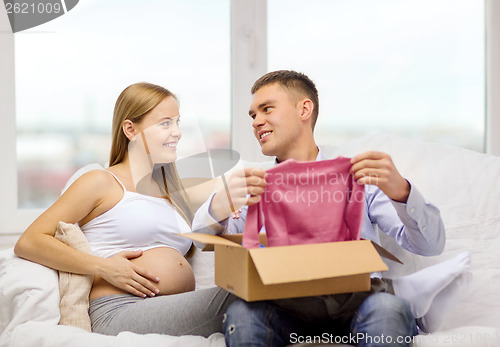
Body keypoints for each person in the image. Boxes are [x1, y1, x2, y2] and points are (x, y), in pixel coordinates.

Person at [192, 70, 467, 346]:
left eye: (267, 109)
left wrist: (402, 192)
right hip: (281, 307)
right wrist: (220, 205)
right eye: (253, 115)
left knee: (389, 309)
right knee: (242, 314)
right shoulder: (251, 185)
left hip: (359, 303)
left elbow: (431, 245)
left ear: (304, 109)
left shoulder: (359, 177)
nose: (256, 122)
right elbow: (205, 241)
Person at [14, 82, 236, 337]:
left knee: (254, 299)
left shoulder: (173, 193)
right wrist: (103, 267)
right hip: (119, 310)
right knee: (242, 296)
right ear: (130, 129)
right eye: (165, 123)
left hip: (166, 307)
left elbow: (223, 197)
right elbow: (29, 241)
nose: (177, 132)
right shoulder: (100, 182)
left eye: (177, 122)